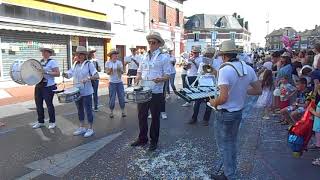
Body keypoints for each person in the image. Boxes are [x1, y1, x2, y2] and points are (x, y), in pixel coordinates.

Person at [209, 40, 261, 180]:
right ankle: (229, 171)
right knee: (231, 143)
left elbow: (224, 98)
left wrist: (214, 102)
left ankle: (230, 175)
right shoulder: (248, 68)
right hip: (238, 112)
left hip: (225, 113)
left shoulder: (224, 69)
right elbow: (258, 90)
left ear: (224, 55)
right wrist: (242, 91)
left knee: (224, 146)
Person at [130, 31, 171, 151]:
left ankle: (154, 141)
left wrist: (160, 79)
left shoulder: (164, 57)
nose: (151, 44)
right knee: (141, 115)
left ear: (159, 44)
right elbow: (139, 70)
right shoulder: (143, 56)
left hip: (156, 92)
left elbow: (168, 75)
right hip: (143, 90)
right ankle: (142, 138)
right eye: (149, 42)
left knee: (155, 117)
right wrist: (137, 77)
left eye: (153, 42)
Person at [62, 46, 99, 137]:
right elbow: (69, 74)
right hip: (77, 91)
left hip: (87, 91)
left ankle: (90, 128)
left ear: (84, 55)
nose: (79, 56)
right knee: (79, 110)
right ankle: (82, 127)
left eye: (81, 54)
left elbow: (97, 75)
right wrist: (64, 74)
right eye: (78, 54)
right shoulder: (75, 64)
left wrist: (88, 78)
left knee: (88, 110)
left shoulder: (88, 64)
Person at [32, 45, 60, 129]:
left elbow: (57, 73)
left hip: (48, 86)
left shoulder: (52, 62)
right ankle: (40, 121)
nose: (43, 53)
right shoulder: (40, 62)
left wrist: (46, 72)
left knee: (49, 105)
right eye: (43, 51)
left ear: (49, 53)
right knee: (38, 104)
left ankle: (52, 121)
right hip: (39, 85)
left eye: (45, 51)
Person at [188, 47, 217, 126]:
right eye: (207, 55)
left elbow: (217, 74)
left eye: (210, 55)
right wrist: (204, 70)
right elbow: (199, 74)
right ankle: (194, 118)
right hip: (202, 84)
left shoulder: (216, 63)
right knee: (197, 102)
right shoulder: (201, 63)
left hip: (211, 85)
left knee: (209, 103)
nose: (208, 56)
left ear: (213, 55)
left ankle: (206, 119)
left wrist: (211, 68)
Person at [106, 49, 126, 118]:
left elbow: (122, 72)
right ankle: (111, 112)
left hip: (119, 82)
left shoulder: (119, 62)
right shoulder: (108, 63)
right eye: (114, 55)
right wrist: (111, 70)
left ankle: (123, 111)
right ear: (111, 56)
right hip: (112, 83)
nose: (115, 56)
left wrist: (120, 70)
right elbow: (108, 73)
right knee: (112, 98)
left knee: (121, 97)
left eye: (116, 55)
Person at [88, 47, 101, 112]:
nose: (93, 54)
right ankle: (89, 107)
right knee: (89, 93)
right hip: (89, 79)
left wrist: (97, 63)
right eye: (91, 52)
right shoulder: (87, 61)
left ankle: (96, 106)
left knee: (95, 93)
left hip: (95, 79)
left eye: (93, 52)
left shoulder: (96, 61)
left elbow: (99, 70)